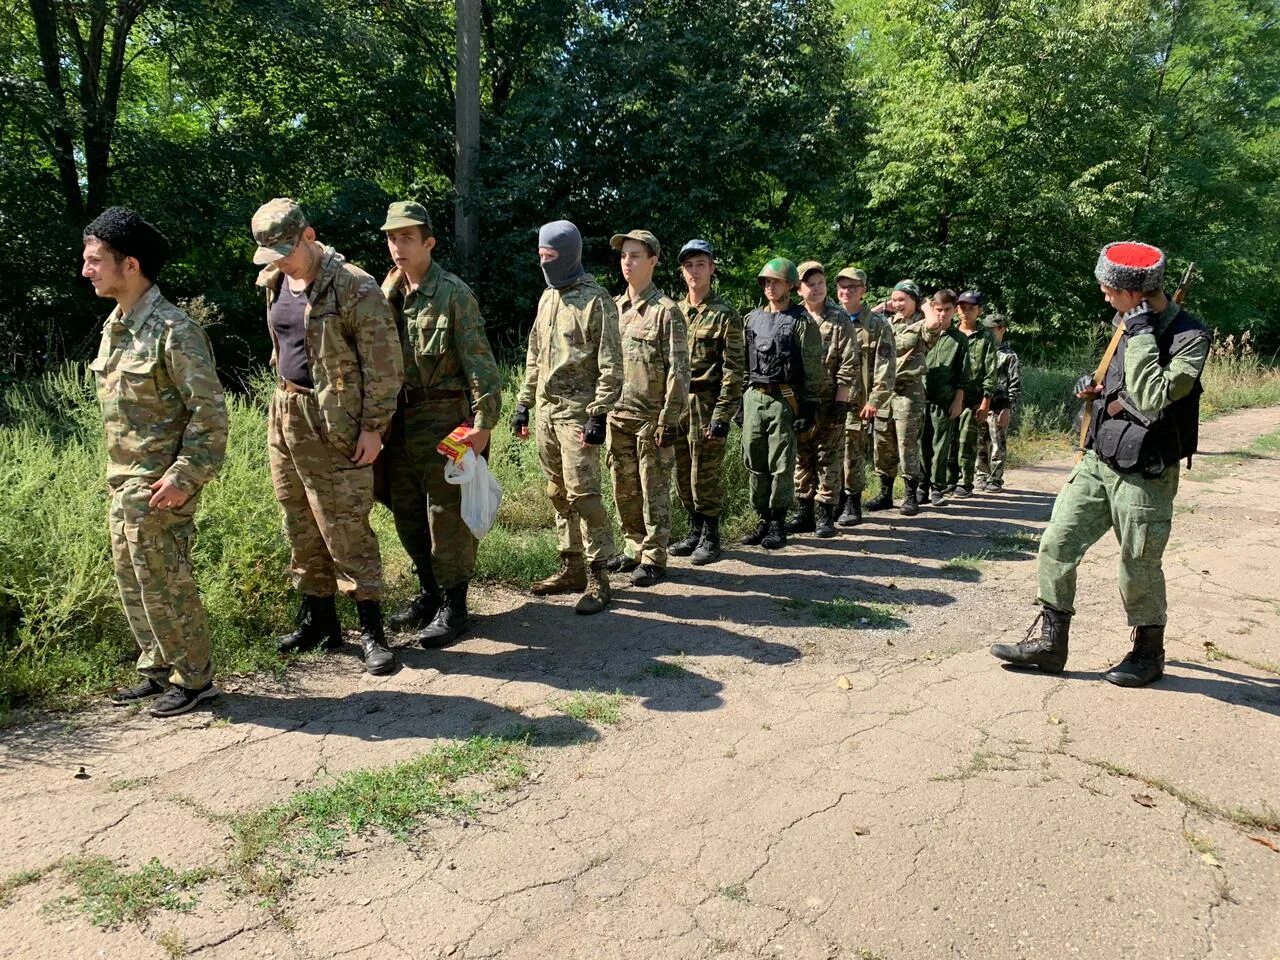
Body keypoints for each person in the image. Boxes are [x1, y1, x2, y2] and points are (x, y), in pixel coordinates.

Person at [991, 241, 1208, 687]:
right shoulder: (1125, 322)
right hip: (1099, 459)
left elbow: (1152, 395)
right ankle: (1051, 646)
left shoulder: (1189, 336)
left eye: (1110, 289)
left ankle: (1149, 653)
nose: (1105, 296)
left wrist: (1144, 332)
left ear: (1137, 292)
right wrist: (1095, 387)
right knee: (1056, 543)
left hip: (1145, 472)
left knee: (1138, 563)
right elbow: (1122, 380)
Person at [84, 207, 228, 717]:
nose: (87, 270)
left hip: (161, 484)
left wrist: (184, 478)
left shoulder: (175, 331)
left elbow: (210, 417)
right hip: (123, 482)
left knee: (168, 582)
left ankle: (196, 680)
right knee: (134, 579)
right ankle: (158, 668)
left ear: (131, 264)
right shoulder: (116, 328)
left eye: (96, 260)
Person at [251, 197, 403, 675]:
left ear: (309, 237)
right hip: (287, 410)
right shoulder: (274, 279)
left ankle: (373, 632)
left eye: (284, 251)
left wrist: (374, 428)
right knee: (297, 517)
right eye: (269, 253)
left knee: (344, 524)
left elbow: (384, 365)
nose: (277, 260)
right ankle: (320, 622)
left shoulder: (354, 286)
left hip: (335, 418)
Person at [378, 201, 502, 647]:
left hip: (445, 418)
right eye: (392, 238)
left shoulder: (452, 293)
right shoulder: (388, 293)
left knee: (446, 514)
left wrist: (484, 423)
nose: (398, 246)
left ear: (428, 242)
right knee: (407, 512)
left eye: (407, 238)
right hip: (401, 421)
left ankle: (456, 605)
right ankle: (428, 592)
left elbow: (480, 363)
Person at [513, 220, 622, 614]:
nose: (544, 263)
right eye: (540, 256)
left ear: (570, 255)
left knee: (584, 495)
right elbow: (534, 355)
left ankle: (600, 576)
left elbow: (612, 364)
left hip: (578, 415)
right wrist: (523, 403)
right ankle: (571, 567)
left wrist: (599, 414)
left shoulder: (597, 301)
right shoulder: (547, 298)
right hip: (545, 411)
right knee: (557, 493)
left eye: (551, 257)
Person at [604, 230, 689, 586]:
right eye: (624, 255)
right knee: (624, 489)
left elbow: (679, 371)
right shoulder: (613, 308)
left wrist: (669, 420)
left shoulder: (666, 312)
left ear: (653, 261)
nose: (628, 262)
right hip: (616, 416)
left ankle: (654, 556)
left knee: (653, 491)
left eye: (636, 255)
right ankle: (634, 547)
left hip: (650, 421)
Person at [739, 258, 823, 550]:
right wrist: (740, 401)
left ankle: (777, 522)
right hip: (754, 397)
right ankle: (762, 519)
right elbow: (743, 362)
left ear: (790, 285)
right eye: (766, 281)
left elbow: (813, 368)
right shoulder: (751, 319)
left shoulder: (802, 322)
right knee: (754, 460)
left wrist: (810, 407)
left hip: (784, 399)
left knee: (781, 464)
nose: (770, 286)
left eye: (775, 281)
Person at [670, 239, 743, 566]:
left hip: (707, 400)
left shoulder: (725, 314)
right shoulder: (673, 312)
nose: (694, 271)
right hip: (677, 402)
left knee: (705, 472)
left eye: (701, 264)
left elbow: (734, 369)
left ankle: (712, 536)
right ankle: (694, 530)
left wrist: (723, 413)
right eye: (689, 265)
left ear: (712, 268)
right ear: (682, 272)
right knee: (682, 471)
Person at [788, 262, 857, 538]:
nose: (816, 289)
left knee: (827, 457)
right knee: (802, 457)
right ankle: (803, 511)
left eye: (820, 283)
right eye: (809, 284)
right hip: (800, 402)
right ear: (798, 289)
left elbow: (849, 362)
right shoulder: (795, 318)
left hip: (830, 400)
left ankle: (825, 513)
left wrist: (842, 402)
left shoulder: (839, 318)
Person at [868, 281, 946, 515]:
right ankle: (885, 494)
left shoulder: (922, 324)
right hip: (884, 393)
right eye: (895, 299)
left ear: (915, 301)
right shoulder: (886, 323)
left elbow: (934, 323)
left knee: (907, 445)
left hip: (908, 393)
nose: (898, 304)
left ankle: (911, 495)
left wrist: (924, 304)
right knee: (883, 445)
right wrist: (883, 305)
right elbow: (863, 321)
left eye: (903, 299)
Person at [834, 267, 895, 526]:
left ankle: (852, 504)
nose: (847, 291)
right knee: (828, 455)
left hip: (857, 402)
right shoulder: (831, 319)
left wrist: (875, 401)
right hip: (829, 400)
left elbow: (886, 367)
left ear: (864, 291)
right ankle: (830, 503)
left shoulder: (877, 325)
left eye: (853, 287)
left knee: (852, 454)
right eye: (843, 287)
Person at [945, 289, 998, 496]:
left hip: (973, 398)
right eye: (962, 307)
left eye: (971, 308)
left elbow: (990, 370)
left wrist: (986, 401)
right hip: (949, 397)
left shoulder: (985, 336)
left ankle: (965, 483)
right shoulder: (950, 332)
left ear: (980, 311)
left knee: (966, 441)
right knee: (949, 440)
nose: (965, 312)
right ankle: (948, 480)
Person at [919, 289, 967, 506]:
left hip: (945, 399)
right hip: (920, 398)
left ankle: (937, 487)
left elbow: (963, 373)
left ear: (954, 310)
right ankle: (920, 485)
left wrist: (958, 400)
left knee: (940, 445)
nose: (942, 314)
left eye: (947, 310)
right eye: (938, 310)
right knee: (921, 443)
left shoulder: (959, 339)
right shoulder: (924, 332)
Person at [976, 314, 1021, 491]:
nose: (987, 333)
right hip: (981, 404)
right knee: (980, 442)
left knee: (997, 443)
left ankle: (995, 478)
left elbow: (1015, 384)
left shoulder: (1009, 356)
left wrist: (1008, 408)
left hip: (999, 406)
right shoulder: (981, 352)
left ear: (1001, 329)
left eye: (991, 330)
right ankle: (981, 475)